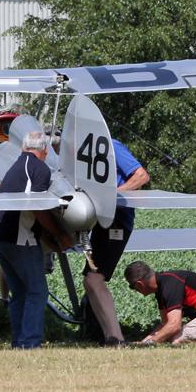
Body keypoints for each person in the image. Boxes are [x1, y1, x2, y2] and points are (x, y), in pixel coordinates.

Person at [0, 131, 73, 349]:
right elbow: (37, 207)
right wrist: (60, 234)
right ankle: (30, 342)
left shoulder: (16, 166)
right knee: (37, 292)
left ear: (22, 148)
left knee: (20, 292)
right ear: (44, 150)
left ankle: (19, 341)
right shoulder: (40, 168)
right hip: (19, 239)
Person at [82, 138, 149, 346]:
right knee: (90, 280)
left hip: (117, 219)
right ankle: (110, 337)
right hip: (102, 220)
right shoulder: (81, 149)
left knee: (94, 279)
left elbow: (141, 176)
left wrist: (111, 197)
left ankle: (116, 338)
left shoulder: (109, 144)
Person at [123, 260, 196, 345]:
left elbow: (174, 325)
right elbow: (165, 323)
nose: (135, 290)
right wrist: (145, 341)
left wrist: (150, 343)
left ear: (139, 284)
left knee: (175, 339)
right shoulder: (161, 286)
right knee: (167, 335)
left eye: (132, 287)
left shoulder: (170, 286)